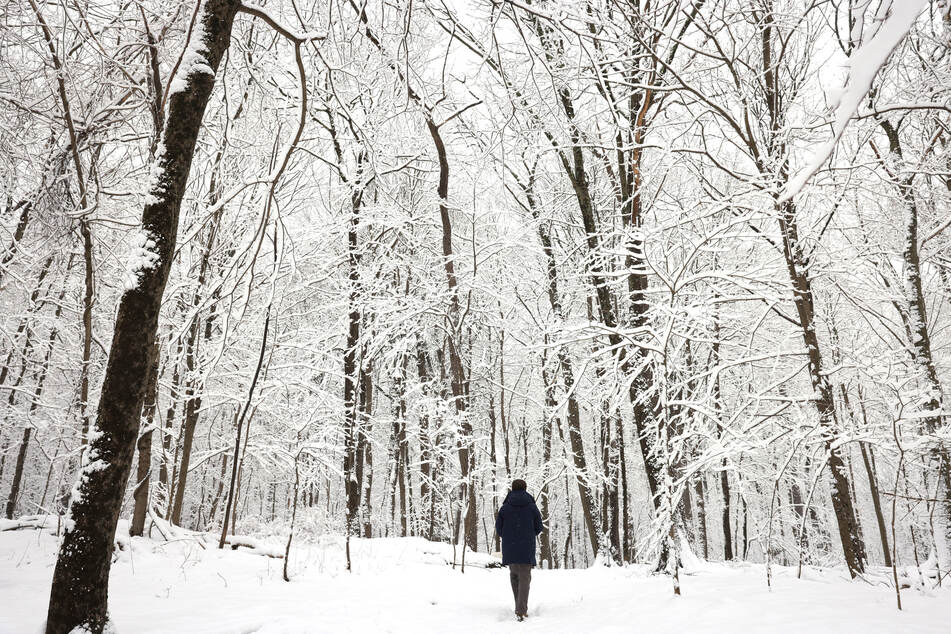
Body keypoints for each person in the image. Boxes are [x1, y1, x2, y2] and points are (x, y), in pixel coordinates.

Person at [495, 479, 543, 621]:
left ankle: (519, 607)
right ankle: (521, 610)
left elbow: (499, 529)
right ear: (525, 488)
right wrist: (528, 533)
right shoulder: (532, 507)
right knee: (525, 578)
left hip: (510, 547)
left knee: (515, 576)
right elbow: (539, 527)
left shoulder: (505, 508)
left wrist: (509, 536)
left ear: (512, 489)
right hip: (526, 546)